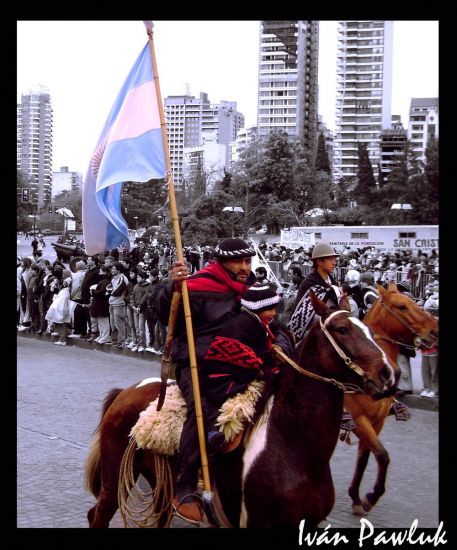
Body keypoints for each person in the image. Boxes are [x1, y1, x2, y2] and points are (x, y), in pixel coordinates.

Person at [153, 237, 293, 524]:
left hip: (244, 360)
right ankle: (185, 485)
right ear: (221, 261)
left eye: (247, 261)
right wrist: (172, 289)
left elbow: (276, 324)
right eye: (238, 262)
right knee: (202, 406)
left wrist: (282, 346)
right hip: (199, 359)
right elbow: (161, 314)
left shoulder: (252, 289)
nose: (245, 267)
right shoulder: (196, 284)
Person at [200, 282, 284, 443]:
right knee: (223, 400)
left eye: (275, 308)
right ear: (257, 309)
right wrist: (268, 371)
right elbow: (249, 360)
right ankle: (213, 429)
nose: (274, 313)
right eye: (270, 309)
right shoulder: (246, 325)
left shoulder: (257, 323)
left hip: (237, 371)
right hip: (222, 377)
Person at [287, 241, 342, 343]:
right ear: (319, 262)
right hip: (311, 336)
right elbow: (302, 315)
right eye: (330, 259)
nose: (334, 262)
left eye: (335, 259)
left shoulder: (333, 283)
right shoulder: (309, 283)